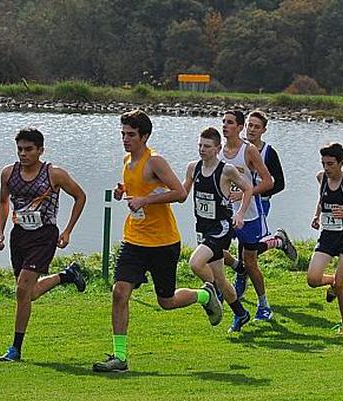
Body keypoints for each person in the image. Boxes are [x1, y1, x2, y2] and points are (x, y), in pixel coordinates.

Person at [93, 110, 222, 373]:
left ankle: (204, 295)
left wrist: (145, 200)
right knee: (120, 292)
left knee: (166, 301)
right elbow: (140, 191)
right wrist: (125, 192)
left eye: (131, 135)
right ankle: (120, 357)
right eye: (123, 134)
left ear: (145, 136)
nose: (125, 139)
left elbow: (180, 193)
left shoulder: (156, 161)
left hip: (163, 242)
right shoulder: (127, 161)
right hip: (134, 239)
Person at [0, 127, 87, 362]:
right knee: (29, 293)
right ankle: (66, 275)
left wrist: (67, 230)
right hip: (20, 236)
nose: (23, 154)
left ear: (40, 150)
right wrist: (0, 232)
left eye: (29, 149)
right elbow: (4, 203)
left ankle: (15, 348)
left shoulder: (53, 174)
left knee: (22, 289)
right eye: (19, 149)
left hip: (44, 236)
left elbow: (80, 196)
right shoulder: (8, 173)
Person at [184, 127, 255, 331]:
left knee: (196, 263)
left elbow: (248, 188)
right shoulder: (193, 167)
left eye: (207, 146)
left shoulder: (227, 170)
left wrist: (240, 213)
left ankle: (212, 295)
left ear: (217, 148)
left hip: (221, 228)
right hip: (203, 228)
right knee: (222, 279)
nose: (202, 149)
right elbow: (182, 193)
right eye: (200, 145)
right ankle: (241, 314)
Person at [217, 110, 275, 329]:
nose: (225, 126)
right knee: (215, 252)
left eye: (230, 123)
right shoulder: (218, 151)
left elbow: (269, 181)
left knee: (251, 262)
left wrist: (244, 193)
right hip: (224, 213)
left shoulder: (248, 151)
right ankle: (235, 271)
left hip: (249, 215)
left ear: (240, 127)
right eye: (223, 122)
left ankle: (263, 305)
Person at [307, 143, 343, 335]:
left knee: (341, 284)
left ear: (340, 163)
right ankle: (332, 282)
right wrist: (316, 216)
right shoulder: (321, 178)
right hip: (328, 235)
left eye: (330, 164)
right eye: (323, 163)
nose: (326, 168)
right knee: (312, 279)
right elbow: (322, 199)